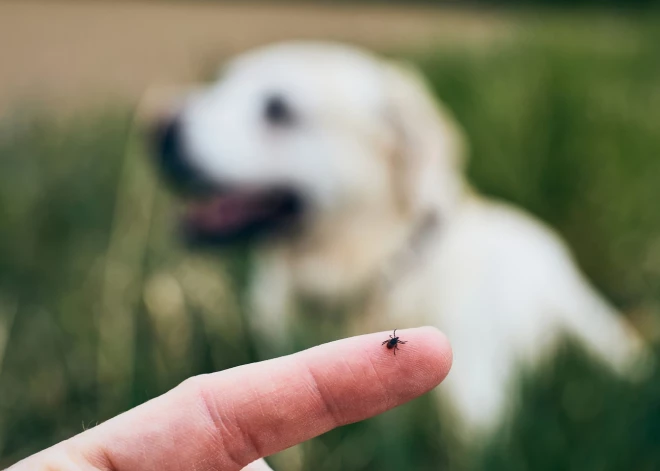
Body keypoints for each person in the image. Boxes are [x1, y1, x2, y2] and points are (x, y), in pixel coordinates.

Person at [7, 328, 451, 471]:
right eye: (393, 342)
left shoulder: (393, 346)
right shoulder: (392, 346)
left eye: (392, 342)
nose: (392, 343)